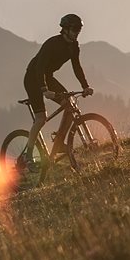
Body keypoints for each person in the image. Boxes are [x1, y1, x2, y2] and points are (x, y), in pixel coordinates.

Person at [20, 13, 93, 167]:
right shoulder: (52, 44)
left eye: (79, 29)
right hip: (33, 78)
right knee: (41, 118)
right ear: (65, 29)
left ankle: (59, 143)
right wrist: (44, 89)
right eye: (74, 28)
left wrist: (85, 86)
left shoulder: (74, 46)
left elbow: (77, 67)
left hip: (48, 76)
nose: (77, 32)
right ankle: (28, 155)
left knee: (69, 104)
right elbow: (39, 68)